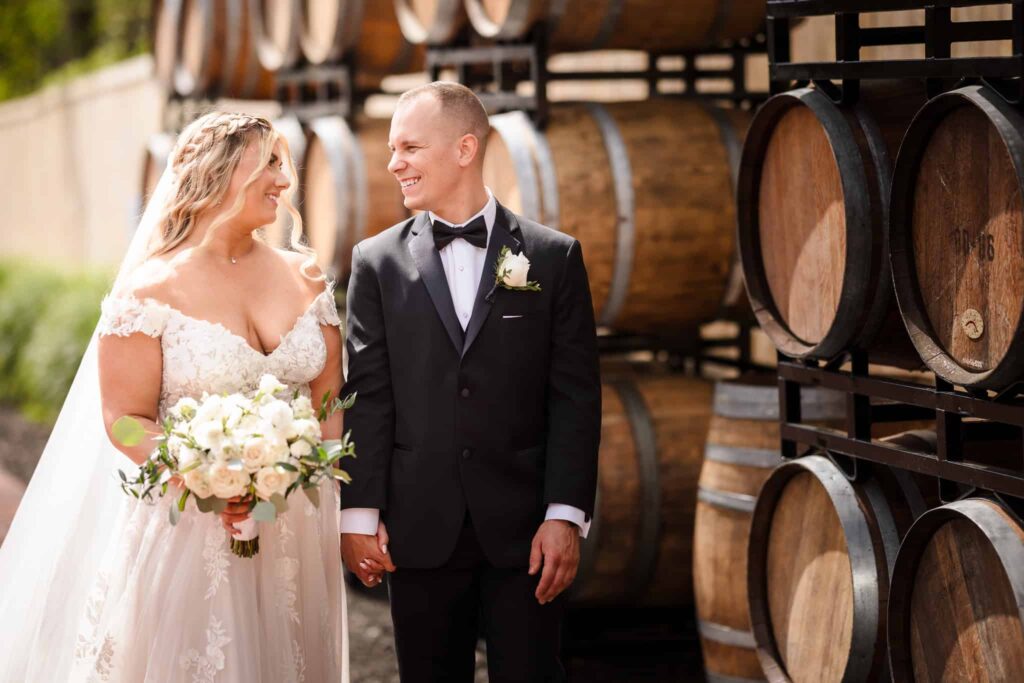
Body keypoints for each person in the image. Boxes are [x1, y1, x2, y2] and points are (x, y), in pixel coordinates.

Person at [0, 112, 350, 681]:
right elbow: (125, 420)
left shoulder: (307, 278)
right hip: (189, 527)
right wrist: (207, 475)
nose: (285, 182)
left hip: (294, 527)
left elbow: (329, 405)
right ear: (218, 174)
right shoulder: (150, 290)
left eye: (282, 166)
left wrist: (308, 488)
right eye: (269, 164)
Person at [340, 81, 602, 682]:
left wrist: (564, 515)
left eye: (409, 147)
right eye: (390, 149)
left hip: (526, 531)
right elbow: (369, 398)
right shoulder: (374, 262)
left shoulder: (552, 257)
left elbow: (575, 398)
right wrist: (357, 516)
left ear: (464, 148)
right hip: (418, 526)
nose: (393, 163)